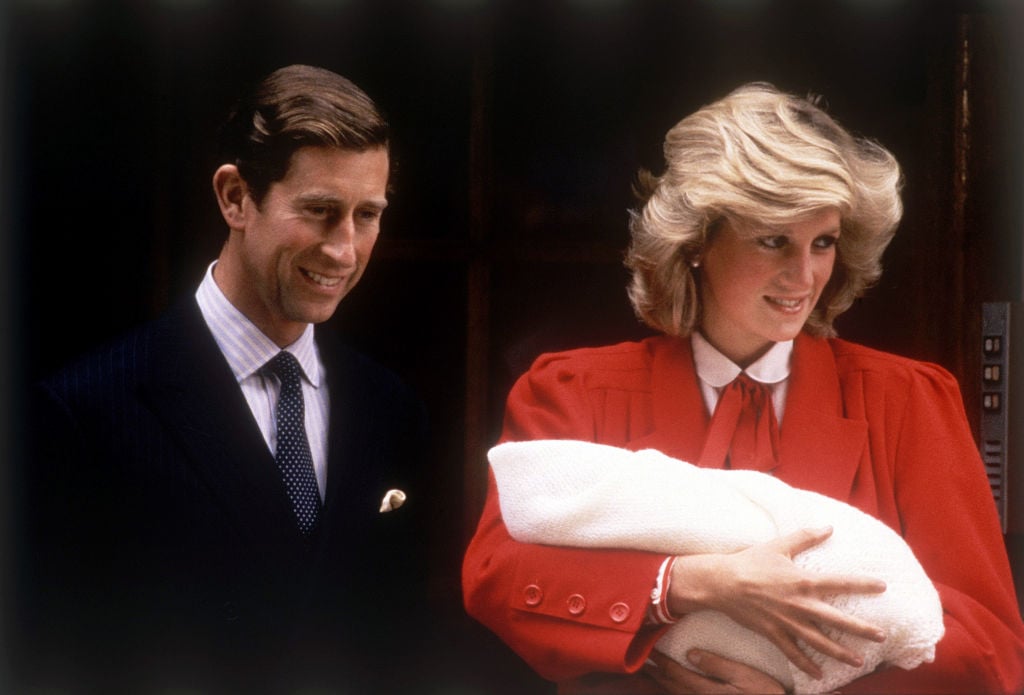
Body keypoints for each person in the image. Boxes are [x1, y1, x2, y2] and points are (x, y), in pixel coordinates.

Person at [462, 83, 1024, 694]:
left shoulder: (909, 399)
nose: (803, 276)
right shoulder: (572, 390)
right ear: (697, 240)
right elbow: (496, 577)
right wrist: (684, 584)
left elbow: (990, 644)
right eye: (773, 239)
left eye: (824, 242)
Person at [15, 64, 431, 692]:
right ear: (235, 197)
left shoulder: (392, 408)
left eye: (367, 215)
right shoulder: (85, 410)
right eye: (319, 211)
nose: (344, 250)